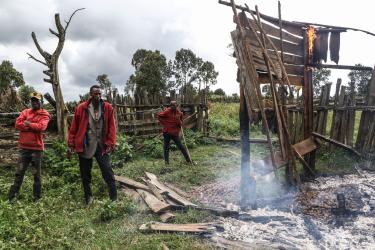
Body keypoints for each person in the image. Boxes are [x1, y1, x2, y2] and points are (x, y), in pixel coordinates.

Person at [68, 85, 117, 205]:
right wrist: (71, 144)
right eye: (95, 94)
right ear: (90, 95)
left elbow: (112, 126)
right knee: (85, 174)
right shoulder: (82, 108)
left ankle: (114, 198)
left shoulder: (107, 107)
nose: (98, 96)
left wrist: (111, 142)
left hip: (102, 146)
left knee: (108, 172)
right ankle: (88, 198)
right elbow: (74, 127)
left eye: (100, 94)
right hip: (86, 146)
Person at [8, 92, 50, 201]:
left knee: (36, 174)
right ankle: (11, 197)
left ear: (41, 102)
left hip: (36, 149)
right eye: (33, 100)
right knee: (19, 173)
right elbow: (17, 124)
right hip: (24, 148)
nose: (34, 102)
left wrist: (28, 124)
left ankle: (37, 198)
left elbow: (41, 127)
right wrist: (32, 126)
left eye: (36, 100)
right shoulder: (25, 112)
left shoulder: (44, 114)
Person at [157, 101, 192, 166]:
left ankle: (188, 160)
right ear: (170, 106)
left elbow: (181, 122)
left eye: (174, 105)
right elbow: (159, 116)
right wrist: (164, 124)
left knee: (181, 146)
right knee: (166, 147)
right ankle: (166, 163)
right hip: (167, 132)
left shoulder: (179, 113)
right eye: (172, 105)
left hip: (175, 133)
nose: (173, 107)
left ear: (177, 106)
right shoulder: (167, 111)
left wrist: (179, 123)